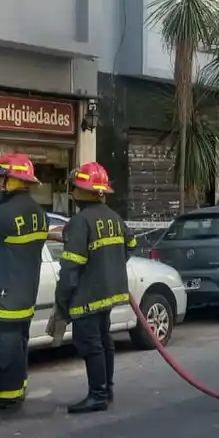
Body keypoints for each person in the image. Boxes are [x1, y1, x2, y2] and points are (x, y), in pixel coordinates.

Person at [0, 153, 48, 412]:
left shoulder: (1, 215)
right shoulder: (38, 212)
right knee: (19, 340)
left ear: (10, 181)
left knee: (4, 343)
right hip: (26, 290)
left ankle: (5, 394)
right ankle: (18, 385)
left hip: (1, 292)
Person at [55, 162, 136, 415]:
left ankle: (97, 395)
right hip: (109, 292)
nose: (72, 193)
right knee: (104, 340)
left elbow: (71, 267)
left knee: (90, 343)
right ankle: (107, 389)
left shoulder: (80, 222)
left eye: (75, 188)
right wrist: (109, 265)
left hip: (87, 295)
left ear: (82, 191)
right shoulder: (114, 217)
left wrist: (62, 299)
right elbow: (131, 245)